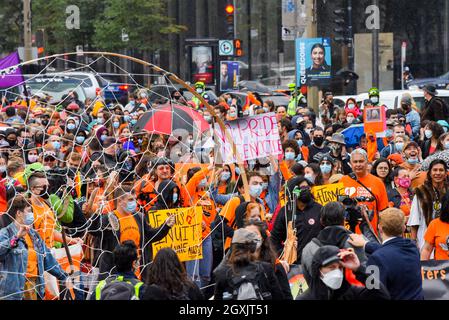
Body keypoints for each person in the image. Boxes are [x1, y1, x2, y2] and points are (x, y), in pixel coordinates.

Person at [87, 184, 176, 280]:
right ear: (120, 201)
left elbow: (151, 236)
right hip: (114, 275)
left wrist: (166, 226)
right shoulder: (109, 218)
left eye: (135, 199)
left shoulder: (139, 217)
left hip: (137, 273)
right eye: (130, 200)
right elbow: (92, 230)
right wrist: (96, 213)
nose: (134, 202)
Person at [0, 195, 71, 300]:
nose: (32, 215)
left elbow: (48, 259)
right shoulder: (5, 233)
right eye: (28, 211)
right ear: (18, 213)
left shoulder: (34, 235)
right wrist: (16, 237)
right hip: (13, 292)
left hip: (35, 288)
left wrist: (64, 277)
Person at [349, 208, 423, 300]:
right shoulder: (412, 247)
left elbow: (372, 292)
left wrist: (358, 270)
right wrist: (365, 244)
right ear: (404, 228)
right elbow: (392, 251)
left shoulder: (377, 258)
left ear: (380, 228)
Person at [301, 202, 372, 286]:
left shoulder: (309, 248)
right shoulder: (359, 241)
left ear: (321, 221)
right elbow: (373, 279)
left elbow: (309, 281)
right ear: (344, 219)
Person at [297, 245, 390, 300]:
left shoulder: (351, 293)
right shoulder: (305, 298)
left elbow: (382, 295)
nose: (337, 272)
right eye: (331, 267)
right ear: (318, 270)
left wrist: (359, 269)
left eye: (340, 267)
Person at [213, 228, 284, 300]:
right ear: (253, 247)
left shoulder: (221, 273)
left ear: (232, 248)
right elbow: (279, 296)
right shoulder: (266, 269)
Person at [271, 176, 323, 263]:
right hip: (292, 265)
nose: (305, 190)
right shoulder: (285, 212)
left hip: (315, 263)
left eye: (307, 187)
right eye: (301, 188)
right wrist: (283, 254)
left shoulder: (319, 209)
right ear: (292, 191)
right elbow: (274, 239)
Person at [340, 149, 389, 235]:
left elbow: (383, 211)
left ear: (367, 162)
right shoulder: (343, 180)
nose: (358, 164)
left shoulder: (378, 182)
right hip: (348, 234)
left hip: (370, 234)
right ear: (350, 164)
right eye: (355, 162)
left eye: (361, 161)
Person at [244, 220, 293, 300]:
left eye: (254, 234)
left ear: (262, 239)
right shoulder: (238, 266)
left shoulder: (275, 266)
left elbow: (286, 296)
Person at [408, 159, 449, 252]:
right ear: (429, 173)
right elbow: (414, 220)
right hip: (424, 238)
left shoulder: (448, 191)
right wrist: (413, 242)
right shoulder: (421, 192)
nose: (438, 173)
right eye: (435, 170)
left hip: (445, 239)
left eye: (441, 170)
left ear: (446, 173)